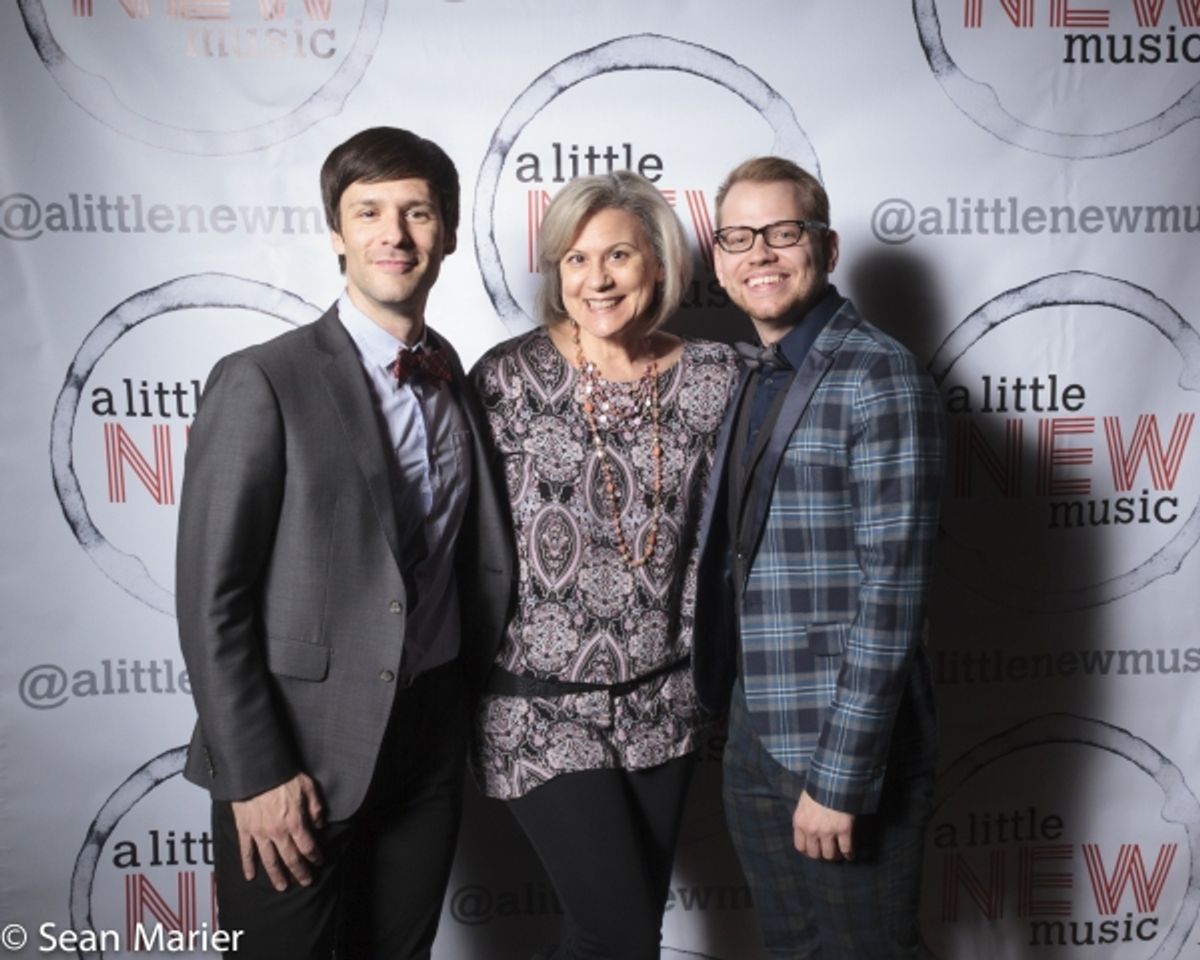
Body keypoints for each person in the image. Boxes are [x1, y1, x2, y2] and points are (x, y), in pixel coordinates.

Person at [175, 126, 512, 960]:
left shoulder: (451, 375)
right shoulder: (262, 379)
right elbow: (211, 599)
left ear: (449, 233)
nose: (393, 235)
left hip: (428, 742)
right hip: (299, 755)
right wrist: (253, 773)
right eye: (368, 212)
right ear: (336, 233)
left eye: (417, 212)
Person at [469, 170, 738, 960]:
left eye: (617, 255)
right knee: (618, 931)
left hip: (668, 702)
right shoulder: (505, 380)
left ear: (657, 263)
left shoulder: (718, 377)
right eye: (576, 259)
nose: (596, 279)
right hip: (541, 707)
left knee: (617, 936)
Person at [693, 156, 945, 958]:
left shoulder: (880, 377)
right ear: (719, 261)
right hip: (756, 735)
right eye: (739, 236)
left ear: (827, 248)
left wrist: (837, 781)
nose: (759, 253)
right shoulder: (756, 375)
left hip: (843, 752)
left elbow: (892, 595)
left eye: (782, 232)